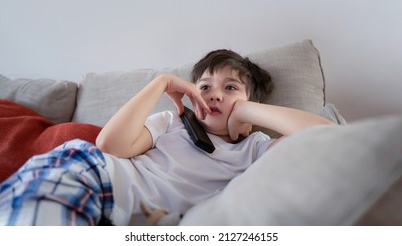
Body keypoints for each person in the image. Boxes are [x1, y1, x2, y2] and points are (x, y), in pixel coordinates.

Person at [0, 49, 334, 226]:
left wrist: (245, 113)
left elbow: (327, 137)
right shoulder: (171, 123)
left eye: (230, 88)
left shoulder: (255, 149)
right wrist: (160, 83)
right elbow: (109, 146)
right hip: (94, 177)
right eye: (205, 87)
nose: (215, 95)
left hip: (124, 221)